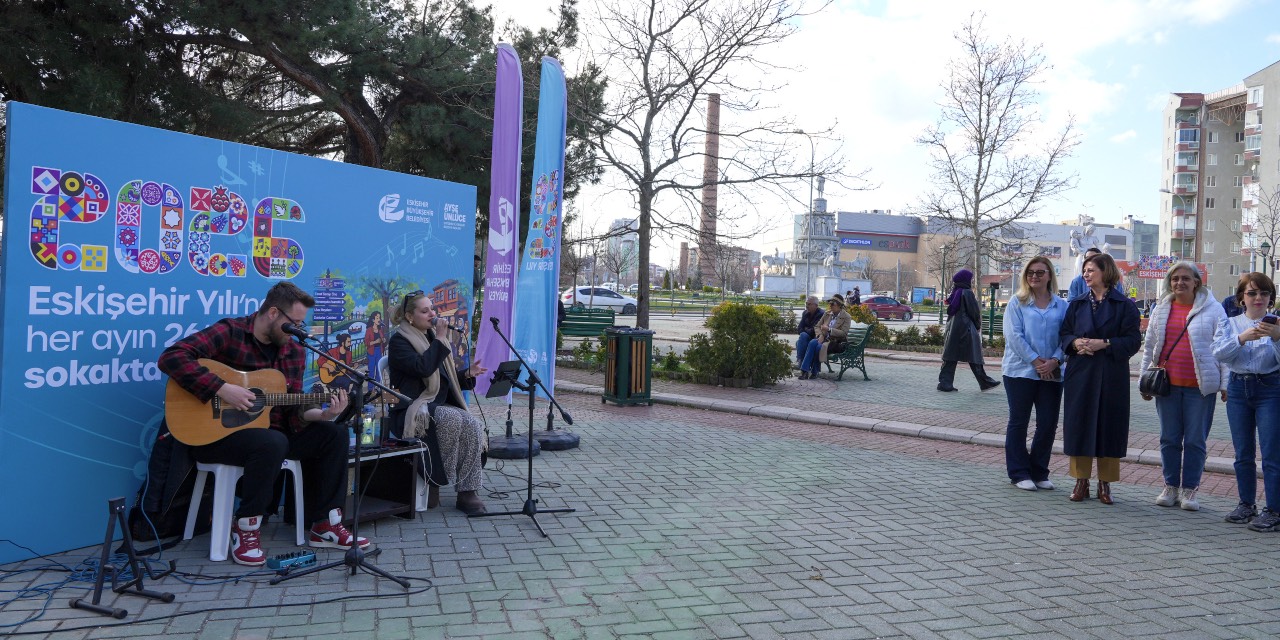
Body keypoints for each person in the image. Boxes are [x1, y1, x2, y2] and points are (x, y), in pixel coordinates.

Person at [157, 281, 368, 566]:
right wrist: (221, 388)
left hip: (272, 436)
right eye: (293, 324)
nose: (297, 330)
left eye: (301, 325)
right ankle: (245, 527)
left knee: (334, 434)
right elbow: (172, 357)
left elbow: (292, 407)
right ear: (273, 313)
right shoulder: (231, 332)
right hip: (216, 437)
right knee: (272, 441)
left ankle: (325, 524)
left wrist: (323, 415)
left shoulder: (293, 351)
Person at [386, 290, 490, 514]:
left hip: (435, 404)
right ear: (409, 316)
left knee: (472, 424)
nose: (432, 314)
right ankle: (435, 479)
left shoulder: (431, 338)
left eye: (432, 309)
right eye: (425, 311)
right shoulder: (399, 341)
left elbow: (442, 380)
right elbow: (423, 367)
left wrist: (466, 375)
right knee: (451, 419)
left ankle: (467, 491)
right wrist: (442, 339)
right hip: (412, 406)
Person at [1139, 262, 1226, 511]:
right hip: (1167, 387)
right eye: (1175, 278)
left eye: (1185, 278)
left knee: (1196, 441)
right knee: (1169, 438)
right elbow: (1150, 347)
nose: (1180, 283)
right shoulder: (1161, 308)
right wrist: (1145, 380)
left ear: (1196, 282)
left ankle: (1190, 490)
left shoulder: (1213, 309)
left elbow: (1223, 348)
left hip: (1200, 388)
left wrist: (1225, 384)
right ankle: (1170, 486)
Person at [1060, 253, 1142, 504]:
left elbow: (1133, 341)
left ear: (1105, 272)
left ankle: (1105, 483)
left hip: (1111, 372)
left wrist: (1105, 343)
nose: (1086, 274)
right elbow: (1064, 334)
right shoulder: (1077, 304)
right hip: (1081, 371)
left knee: (1110, 426)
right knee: (1079, 424)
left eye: (1091, 270)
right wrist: (1075, 343)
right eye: (1084, 270)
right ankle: (1080, 480)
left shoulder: (1124, 305)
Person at [1212, 272, 1280, 531]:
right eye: (1252, 293)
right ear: (1242, 298)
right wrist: (1241, 339)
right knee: (1243, 452)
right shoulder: (1231, 324)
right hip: (1239, 387)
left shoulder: (1277, 324)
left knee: (1272, 453)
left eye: (1264, 293)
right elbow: (1219, 353)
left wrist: (1277, 337)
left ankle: (1274, 510)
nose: (1258, 298)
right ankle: (1246, 504)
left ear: (1271, 298)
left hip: (1270, 387)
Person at [1001, 257, 1068, 491]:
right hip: (1020, 371)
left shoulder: (1062, 305)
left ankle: (1039, 471)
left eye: (1040, 272)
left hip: (1052, 372)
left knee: (1048, 423)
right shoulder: (1017, 302)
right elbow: (1013, 336)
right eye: (1030, 272)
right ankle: (1019, 473)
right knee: (1019, 422)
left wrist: (1055, 361)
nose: (1034, 276)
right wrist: (1037, 361)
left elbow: (1067, 337)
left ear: (1049, 275)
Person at [939, 269, 1000, 392]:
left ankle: (945, 383)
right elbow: (974, 311)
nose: (971, 281)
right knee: (974, 355)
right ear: (965, 280)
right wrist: (977, 326)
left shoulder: (956, 292)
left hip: (953, 329)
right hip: (966, 329)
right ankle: (985, 382)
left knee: (950, 356)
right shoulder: (967, 292)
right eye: (970, 279)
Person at [798, 294, 851, 380]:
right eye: (829, 303)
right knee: (812, 342)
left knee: (819, 347)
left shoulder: (846, 317)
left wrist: (829, 330)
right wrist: (820, 335)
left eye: (832, 304)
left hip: (836, 343)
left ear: (839, 305)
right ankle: (805, 371)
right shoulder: (827, 313)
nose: (830, 306)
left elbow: (844, 333)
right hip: (823, 339)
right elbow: (817, 326)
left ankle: (814, 371)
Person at [795, 295, 824, 369]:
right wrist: (807, 329)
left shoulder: (821, 314)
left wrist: (805, 329)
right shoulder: (805, 313)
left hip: (816, 338)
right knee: (802, 337)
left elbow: (814, 330)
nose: (807, 305)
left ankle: (800, 361)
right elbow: (799, 329)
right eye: (806, 303)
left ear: (816, 305)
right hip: (806, 337)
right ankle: (801, 362)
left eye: (809, 304)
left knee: (803, 336)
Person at [366, 311, 385, 382]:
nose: (379, 320)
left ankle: (378, 385)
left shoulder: (380, 329)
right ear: (373, 320)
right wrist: (375, 342)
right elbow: (367, 343)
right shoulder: (369, 330)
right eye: (377, 318)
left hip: (379, 351)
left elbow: (382, 338)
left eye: (379, 318)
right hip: (371, 352)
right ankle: (370, 387)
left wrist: (383, 340)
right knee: (371, 370)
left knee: (378, 369)